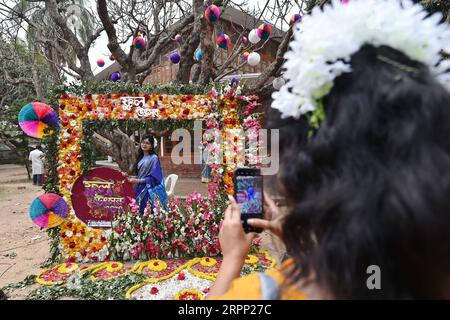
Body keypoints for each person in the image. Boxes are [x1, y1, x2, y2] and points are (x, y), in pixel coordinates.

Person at [208, 0, 450, 299]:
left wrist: (232, 258)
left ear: (303, 169)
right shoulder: (432, 270)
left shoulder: (266, 293)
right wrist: (300, 247)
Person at [128, 134, 168, 215]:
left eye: (147, 143)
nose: (144, 145)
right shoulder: (140, 157)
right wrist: (128, 177)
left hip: (149, 190)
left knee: (147, 212)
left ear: (151, 146)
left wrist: (137, 181)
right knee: (137, 212)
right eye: (142, 142)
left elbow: (154, 177)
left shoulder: (154, 158)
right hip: (139, 188)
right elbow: (139, 174)